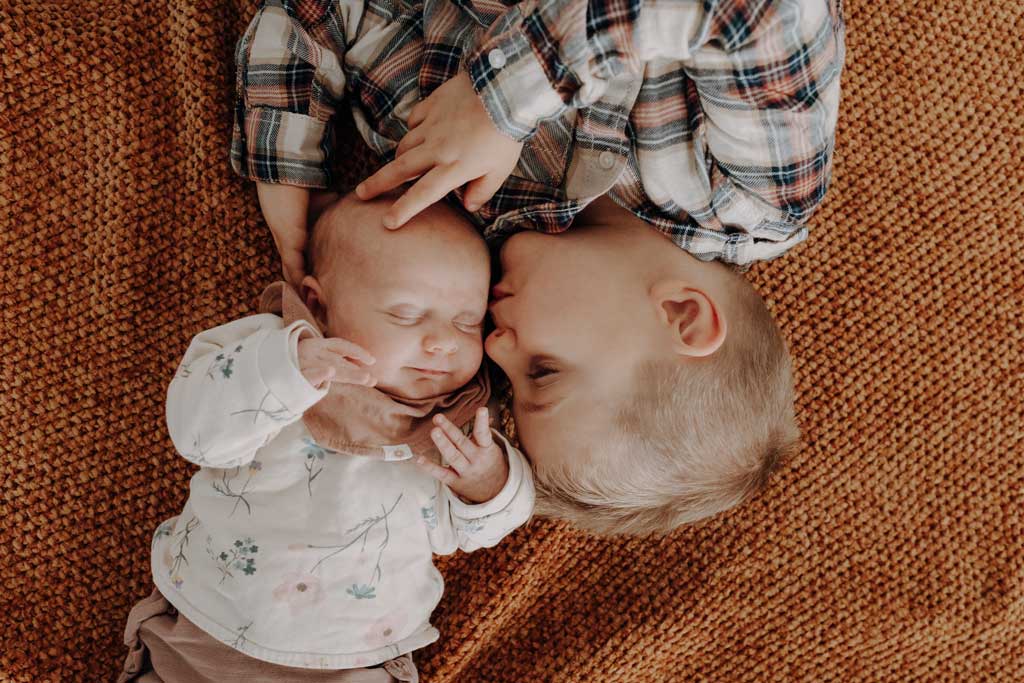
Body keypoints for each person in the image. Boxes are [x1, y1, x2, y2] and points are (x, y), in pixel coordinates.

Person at [232, 0, 845, 533]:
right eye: (543, 372)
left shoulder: (447, 216)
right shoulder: (750, 197)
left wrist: (285, 169)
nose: (494, 350)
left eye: (510, 381)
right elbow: (761, 16)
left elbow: (318, 17)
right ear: (682, 315)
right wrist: (498, 104)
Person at [119, 194, 534, 682]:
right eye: (405, 314)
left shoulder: (459, 422)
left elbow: (472, 532)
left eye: (467, 321)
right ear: (319, 303)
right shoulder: (266, 352)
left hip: (357, 660)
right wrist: (288, 370)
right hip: (206, 632)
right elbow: (197, 434)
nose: (443, 341)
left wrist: (488, 483)